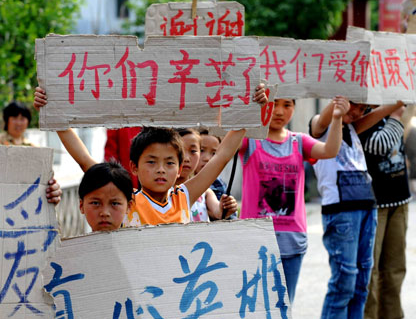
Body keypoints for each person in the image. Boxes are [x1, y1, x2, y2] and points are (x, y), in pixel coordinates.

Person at [34, 85, 267, 227]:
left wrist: (248, 111)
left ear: (180, 167)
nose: (161, 170)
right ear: (133, 167)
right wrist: (55, 114)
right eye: (152, 162)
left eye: (169, 163)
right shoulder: (128, 200)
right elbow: (85, 160)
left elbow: (222, 156)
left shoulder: (184, 197)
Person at [310, 99, 408, 319]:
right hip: (341, 213)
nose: (357, 112)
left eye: (363, 109)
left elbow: (380, 111)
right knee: (343, 280)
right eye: (355, 105)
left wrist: (405, 95)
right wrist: (338, 107)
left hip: (368, 209)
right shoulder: (321, 125)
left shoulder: (355, 127)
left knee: (361, 282)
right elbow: (324, 120)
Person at [239, 96, 349, 304]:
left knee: (283, 307)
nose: (279, 111)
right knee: (253, 307)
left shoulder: (299, 142)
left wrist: (336, 119)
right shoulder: (250, 141)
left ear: (294, 108)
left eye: (287, 105)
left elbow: (329, 150)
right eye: (273, 104)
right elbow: (224, 142)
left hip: (291, 241)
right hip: (255, 239)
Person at [360, 72, 416, 319]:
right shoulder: (363, 116)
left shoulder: (398, 108)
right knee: (370, 266)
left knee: (395, 265)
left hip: (400, 198)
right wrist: (395, 115)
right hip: (373, 201)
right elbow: (379, 146)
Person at [175, 128, 237, 222]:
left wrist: (225, 207)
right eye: (181, 150)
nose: (186, 158)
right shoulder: (161, 192)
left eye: (193, 151)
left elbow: (217, 211)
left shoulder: (206, 193)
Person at [195, 128, 238, 220]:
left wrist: (229, 206)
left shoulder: (218, 185)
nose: (207, 158)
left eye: (214, 153)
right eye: (201, 150)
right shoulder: (182, 183)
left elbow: (227, 216)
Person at [78, 161, 133, 231]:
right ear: (81, 206)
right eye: (95, 203)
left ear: (128, 206)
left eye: (115, 203)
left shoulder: (142, 241)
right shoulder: (72, 242)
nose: (105, 213)